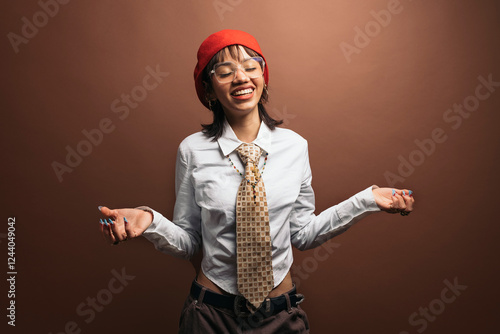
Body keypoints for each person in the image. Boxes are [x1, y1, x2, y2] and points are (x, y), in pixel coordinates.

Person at [98, 29, 415, 334]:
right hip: (209, 317)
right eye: (224, 71)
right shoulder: (191, 150)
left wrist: (367, 201)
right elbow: (190, 243)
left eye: (251, 66)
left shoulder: (295, 146)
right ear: (208, 89)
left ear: (263, 77)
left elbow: (302, 234)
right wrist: (151, 221)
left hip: (280, 317)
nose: (241, 77)